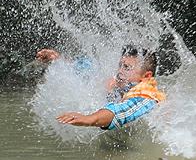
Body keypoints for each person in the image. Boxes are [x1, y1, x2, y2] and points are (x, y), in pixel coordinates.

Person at [36, 45, 166, 130]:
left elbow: (122, 111)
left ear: (146, 76)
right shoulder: (121, 84)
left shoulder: (146, 94)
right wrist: (58, 60)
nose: (120, 71)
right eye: (120, 65)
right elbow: (87, 71)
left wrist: (89, 119)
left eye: (127, 68)